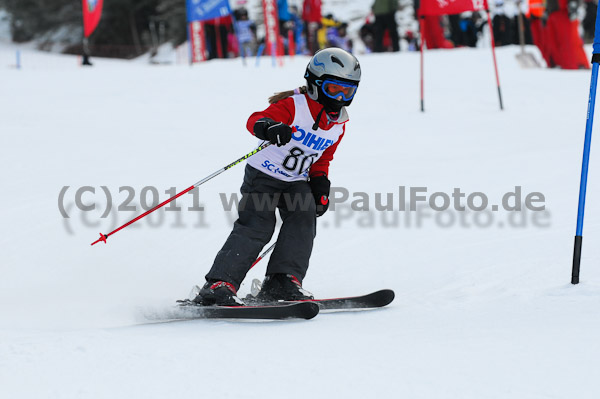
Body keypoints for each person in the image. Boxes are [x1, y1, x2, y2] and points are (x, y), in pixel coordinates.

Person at [193, 48, 361, 306]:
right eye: (333, 89)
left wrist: (320, 186)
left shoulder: (339, 123)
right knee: (257, 225)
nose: (339, 97)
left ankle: (282, 280)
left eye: (347, 91)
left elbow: (323, 158)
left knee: (303, 219)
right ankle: (219, 283)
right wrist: (270, 127)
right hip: (264, 176)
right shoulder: (295, 105)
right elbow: (256, 119)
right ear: (315, 83)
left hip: (296, 181)